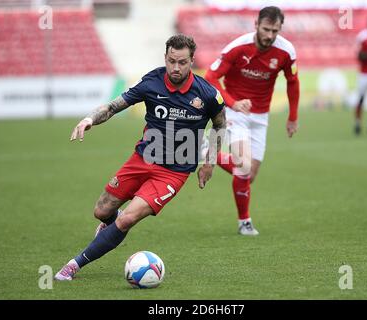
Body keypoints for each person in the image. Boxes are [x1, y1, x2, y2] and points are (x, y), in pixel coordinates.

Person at [54, 34, 226, 281]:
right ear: (165, 58)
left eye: (182, 62)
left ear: (192, 61)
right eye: (171, 61)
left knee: (127, 219)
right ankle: (108, 230)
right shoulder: (151, 82)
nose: (176, 68)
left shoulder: (207, 94)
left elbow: (221, 126)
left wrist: (209, 163)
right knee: (102, 211)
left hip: (173, 172)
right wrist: (89, 118)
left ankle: (74, 265)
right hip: (142, 158)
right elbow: (114, 107)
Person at [204, 6, 299, 236]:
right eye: (266, 29)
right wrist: (232, 103)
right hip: (235, 113)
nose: (270, 35)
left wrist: (292, 116)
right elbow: (210, 77)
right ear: (256, 24)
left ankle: (208, 152)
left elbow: (292, 82)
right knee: (243, 166)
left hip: (261, 117)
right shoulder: (237, 48)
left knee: (248, 175)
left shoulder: (286, 51)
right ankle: (244, 222)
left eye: (275, 31)